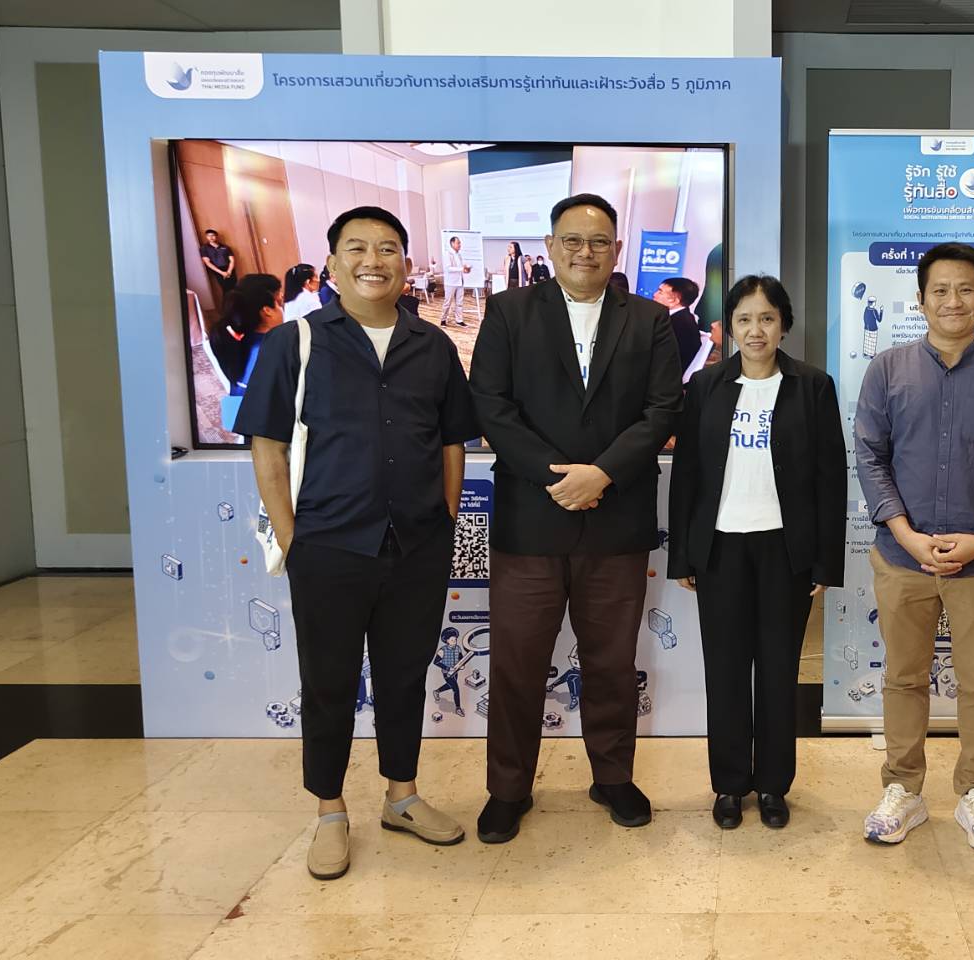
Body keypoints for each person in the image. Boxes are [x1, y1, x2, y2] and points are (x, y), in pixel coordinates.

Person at [235, 205, 482, 881]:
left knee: (404, 676)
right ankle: (330, 811)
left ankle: (402, 797)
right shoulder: (295, 343)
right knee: (329, 682)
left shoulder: (433, 346)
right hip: (329, 547)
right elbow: (267, 446)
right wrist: (294, 539)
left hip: (417, 545)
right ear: (333, 263)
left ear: (406, 262)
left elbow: (453, 442)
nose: (373, 260)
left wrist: (444, 520)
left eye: (388, 248)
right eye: (357, 248)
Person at [468, 193, 682, 843]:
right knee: (516, 664)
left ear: (616, 249)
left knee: (612, 662)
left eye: (598, 241)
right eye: (572, 240)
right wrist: (558, 477)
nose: (585, 252)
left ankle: (613, 776)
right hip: (530, 522)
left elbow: (663, 409)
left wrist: (602, 473)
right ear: (550, 246)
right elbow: (491, 404)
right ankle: (508, 788)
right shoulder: (509, 312)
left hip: (616, 522)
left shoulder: (648, 320)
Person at [852, 242, 974, 852]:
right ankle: (903, 789)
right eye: (940, 290)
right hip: (901, 556)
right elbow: (870, 456)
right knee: (904, 677)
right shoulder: (887, 369)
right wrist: (906, 533)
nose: (952, 301)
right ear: (920, 299)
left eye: (965, 290)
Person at [668, 275, 845, 830]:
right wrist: (683, 555)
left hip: (785, 551)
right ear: (729, 327)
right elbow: (688, 473)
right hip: (720, 548)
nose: (755, 330)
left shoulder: (812, 386)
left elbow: (830, 477)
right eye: (744, 319)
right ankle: (728, 784)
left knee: (777, 671)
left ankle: (772, 784)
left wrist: (825, 560)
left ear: (784, 324)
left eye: (767, 318)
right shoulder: (707, 386)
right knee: (724, 670)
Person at [211, 273, 283, 391]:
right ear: (267, 311)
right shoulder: (274, 348)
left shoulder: (241, 339)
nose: (282, 308)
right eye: (279, 303)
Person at [654, 277, 704, 380]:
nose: (654, 295)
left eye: (660, 292)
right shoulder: (679, 319)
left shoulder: (680, 325)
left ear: (674, 300)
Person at [199, 228, 236, 305]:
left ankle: (236, 306)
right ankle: (226, 308)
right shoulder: (204, 248)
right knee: (226, 289)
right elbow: (207, 263)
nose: (211, 237)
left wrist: (229, 271)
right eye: (209, 236)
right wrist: (222, 273)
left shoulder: (225, 247)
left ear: (216, 236)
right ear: (206, 237)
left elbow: (232, 260)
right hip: (218, 270)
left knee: (234, 288)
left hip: (229, 269)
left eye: (213, 235)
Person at [443, 236, 471, 328]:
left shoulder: (459, 255)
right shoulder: (447, 254)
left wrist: (465, 269)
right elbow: (448, 268)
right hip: (450, 282)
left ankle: (459, 320)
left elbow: (460, 267)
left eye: (460, 243)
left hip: (460, 281)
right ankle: (443, 319)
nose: (460, 245)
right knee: (448, 302)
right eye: (458, 243)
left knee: (459, 302)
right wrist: (461, 269)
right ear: (452, 243)